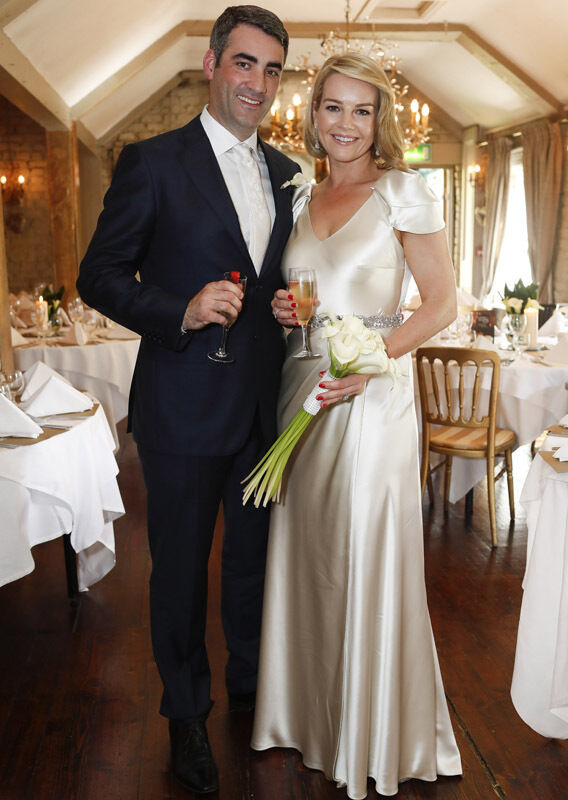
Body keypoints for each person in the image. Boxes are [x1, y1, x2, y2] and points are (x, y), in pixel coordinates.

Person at [76, 5, 299, 795]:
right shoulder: (153, 162)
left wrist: (284, 308)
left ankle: (248, 688)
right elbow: (98, 275)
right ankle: (184, 717)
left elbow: (276, 277)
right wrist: (178, 309)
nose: (258, 84)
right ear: (211, 64)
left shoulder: (286, 173)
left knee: (250, 563)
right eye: (245, 64)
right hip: (179, 405)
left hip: (264, 409)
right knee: (178, 572)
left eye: (272, 70)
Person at [251, 53, 462, 798]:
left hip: (370, 399)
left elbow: (441, 304)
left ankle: (371, 730)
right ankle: (307, 718)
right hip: (302, 390)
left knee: (364, 549)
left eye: (361, 110)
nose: (345, 124)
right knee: (313, 556)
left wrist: (371, 357)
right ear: (312, 116)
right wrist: (288, 314)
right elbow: (306, 295)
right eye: (332, 108)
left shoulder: (404, 191)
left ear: (381, 121)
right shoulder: (301, 192)